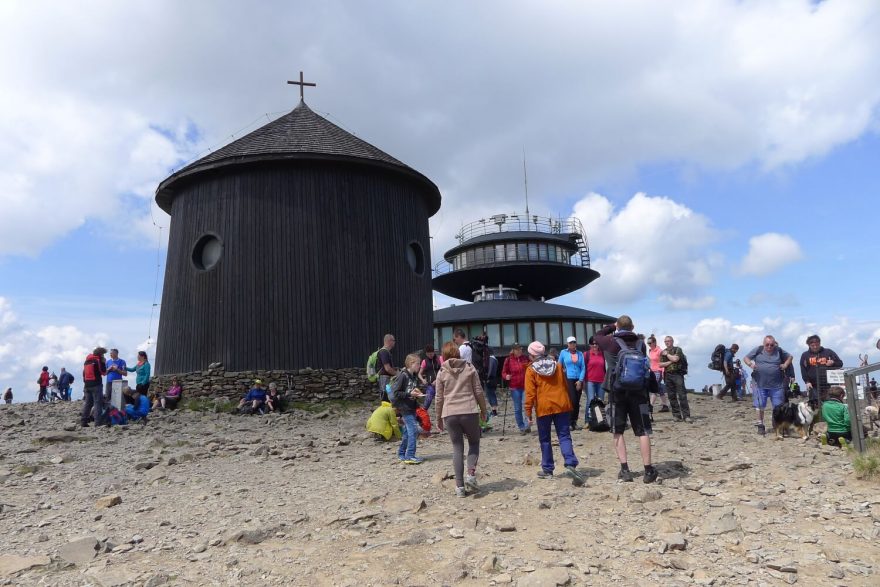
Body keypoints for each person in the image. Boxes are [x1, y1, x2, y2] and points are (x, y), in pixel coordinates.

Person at [594, 316, 658, 483]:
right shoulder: (640, 344)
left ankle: (625, 470)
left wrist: (610, 327)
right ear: (633, 326)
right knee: (642, 431)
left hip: (617, 391)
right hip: (639, 391)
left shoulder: (609, 342)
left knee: (618, 430)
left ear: (618, 326)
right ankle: (648, 470)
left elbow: (597, 335)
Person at [524, 340, 585, 486]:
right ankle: (570, 463)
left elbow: (530, 394)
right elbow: (564, 385)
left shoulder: (531, 370)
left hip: (544, 408)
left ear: (532, 355)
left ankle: (548, 469)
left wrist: (528, 412)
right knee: (564, 436)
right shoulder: (557, 365)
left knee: (545, 439)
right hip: (561, 405)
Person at [435, 341, 489, 497]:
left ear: (443, 356)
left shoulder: (441, 372)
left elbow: (439, 398)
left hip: (449, 413)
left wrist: (438, 417)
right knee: (474, 442)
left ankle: (459, 487)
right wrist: (483, 410)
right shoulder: (469, 368)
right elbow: (478, 391)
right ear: (457, 353)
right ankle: (471, 475)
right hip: (469, 411)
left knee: (457, 448)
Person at [743, 335, 793, 436]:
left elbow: (790, 357)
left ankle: (778, 426)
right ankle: (760, 425)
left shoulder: (779, 350)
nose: (769, 346)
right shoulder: (758, 350)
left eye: (772, 345)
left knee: (778, 407)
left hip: (777, 384)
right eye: (767, 345)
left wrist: (785, 365)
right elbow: (746, 358)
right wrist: (750, 364)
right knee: (760, 405)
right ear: (763, 344)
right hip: (759, 383)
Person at [391, 353, 425, 464]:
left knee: (406, 432)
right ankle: (410, 455)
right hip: (405, 408)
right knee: (413, 431)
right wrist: (410, 393)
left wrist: (417, 394)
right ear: (411, 363)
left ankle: (401, 453)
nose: (419, 366)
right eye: (418, 363)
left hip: (411, 407)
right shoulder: (403, 375)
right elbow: (396, 393)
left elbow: (411, 390)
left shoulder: (413, 375)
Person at [799, 335, 843, 403]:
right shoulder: (805, 355)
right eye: (813, 345)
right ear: (809, 345)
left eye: (817, 345)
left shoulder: (828, 352)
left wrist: (833, 362)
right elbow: (803, 369)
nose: (815, 347)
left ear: (820, 343)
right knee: (816, 404)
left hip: (828, 384)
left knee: (829, 403)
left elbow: (840, 363)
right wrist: (807, 381)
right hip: (813, 385)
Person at [659, 336, 691, 423]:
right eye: (665, 341)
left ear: (672, 341)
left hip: (677, 374)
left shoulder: (677, 349)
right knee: (671, 396)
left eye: (668, 341)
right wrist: (670, 361)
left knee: (682, 395)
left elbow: (676, 359)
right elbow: (660, 364)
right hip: (667, 375)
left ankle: (686, 416)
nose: (667, 342)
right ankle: (676, 415)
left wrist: (667, 355)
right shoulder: (662, 352)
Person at [502, 343, 531, 434]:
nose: (520, 351)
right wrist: (506, 376)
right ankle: (521, 427)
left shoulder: (525, 358)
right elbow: (504, 372)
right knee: (517, 408)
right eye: (518, 349)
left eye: (521, 349)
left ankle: (527, 425)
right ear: (513, 350)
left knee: (526, 406)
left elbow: (530, 368)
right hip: (514, 387)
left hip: (526, 386)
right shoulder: (508, 360)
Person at [559, 336, 586, 429]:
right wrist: (562, 372)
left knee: (577, 401)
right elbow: (559, 365)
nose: (572, 344)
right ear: (568, 344)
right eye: (570, 343)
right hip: (569, 378)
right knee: (572, 400)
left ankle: (574, 422)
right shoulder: (563, 352)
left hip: (578, 378)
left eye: (574, 342)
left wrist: (580, 380)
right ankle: (569, 421)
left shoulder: (580, 353)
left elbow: (583, 367)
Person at [81, 347, 108, 427]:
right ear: (101, 354)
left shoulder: (86, 361)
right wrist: (103, 363)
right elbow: (103, 372)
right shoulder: (98, 360)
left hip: (87, 385)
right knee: (97, 403)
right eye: (103, 354)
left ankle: (83, 421)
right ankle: (98, 422)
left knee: (88, 404)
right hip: (96, 385)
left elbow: (83, 373)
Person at [646, 335, 670, 412]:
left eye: (650, 342)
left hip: (658, 371)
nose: (649, 344)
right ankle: (665, 405)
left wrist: (663, 372)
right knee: (659, 389)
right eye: (648, 343)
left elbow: (663, 361)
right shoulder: (650, 351)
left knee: (654, 388)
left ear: (654, 342)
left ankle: (651, 406)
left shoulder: (660, 351)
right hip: (652, 371)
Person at [417, 345, 443, 410]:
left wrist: (437, 380)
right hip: (430, 385)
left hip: (441, 384)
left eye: (431, 354)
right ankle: (423, 413)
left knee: (441, 401)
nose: (430, 355)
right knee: (427, 401)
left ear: (434, 352)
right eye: (428, 354)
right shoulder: (424, 361)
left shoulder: (440, 358)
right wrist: (422, 380)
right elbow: (419, 374)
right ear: (426, 354)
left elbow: (444, 370)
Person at [376, 334, 398, 402]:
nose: (394, 342)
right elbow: (387, 368)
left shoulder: (385, 352)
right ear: (389, 341)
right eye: (394, 340)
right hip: (385, 379)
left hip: (386, 378)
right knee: (386, 398)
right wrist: (397, 374)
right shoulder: (384, 352)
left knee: (389, 398)